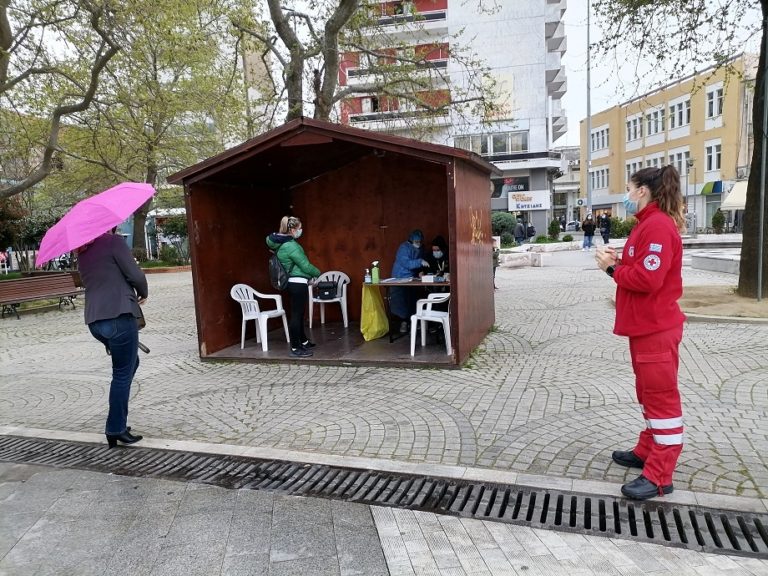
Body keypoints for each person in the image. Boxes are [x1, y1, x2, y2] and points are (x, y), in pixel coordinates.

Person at [595, 165, 686, 501]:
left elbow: (648, 280)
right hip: (646, 328)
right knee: (648, 394)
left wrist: (611, 268)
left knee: (661, 399)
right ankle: (647, 449)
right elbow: (643, 268)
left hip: (656, 329)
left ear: (643, 191)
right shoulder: (647, 225)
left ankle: (660, 475)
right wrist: (619, 262)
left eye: (629, 188)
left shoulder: (658, 226)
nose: (627, 195)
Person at [77, 229, 148, 448]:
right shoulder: (113, 242)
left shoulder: (82, 249)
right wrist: (143, 292)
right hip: (118, 316)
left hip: (95, 321)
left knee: (128, 364)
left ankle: (116, 423)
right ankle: (115, 428)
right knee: (122, 374)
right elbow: (135, 275)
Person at [266, 216, 321, 358]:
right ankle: (296, 348)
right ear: (292, 229)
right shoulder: (291, 246)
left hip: (293, 283)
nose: (300, 231)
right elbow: (305, 265)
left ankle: (303, 340)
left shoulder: (281, 244)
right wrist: (318, 273)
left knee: (299, 313)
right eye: (299, 228)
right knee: (296, 315)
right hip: (297, 284)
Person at [390, 229, 429, 333]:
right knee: (402, 301)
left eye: (420, 242)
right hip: (400, 278)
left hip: (412, 279)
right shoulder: (403, 248)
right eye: (416, 242)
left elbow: (419, 263)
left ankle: (414, 322)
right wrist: (420, 262)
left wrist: (420, 272)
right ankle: (404, 322)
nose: (418, 244)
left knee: (413, 299)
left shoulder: (420, 249)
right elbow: (407, 263)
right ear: (411, 240)